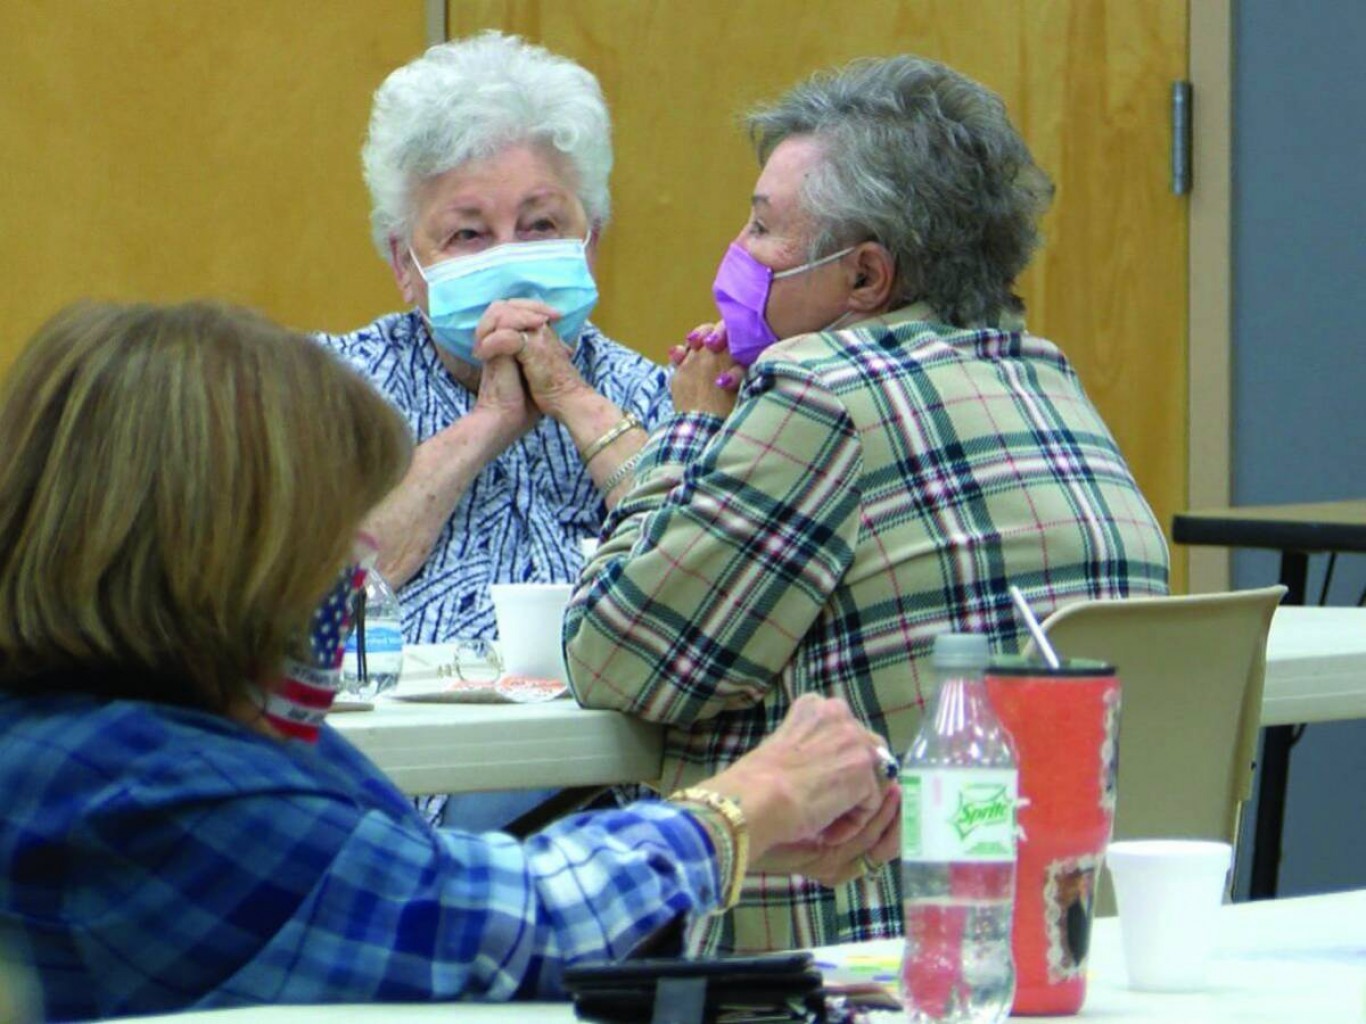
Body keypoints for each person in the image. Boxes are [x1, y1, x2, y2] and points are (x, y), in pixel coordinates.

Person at [0, 300, 898, 1020]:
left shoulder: (153, 726)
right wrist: (744, 808)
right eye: (325, 533)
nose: (355, 563)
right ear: (216, 555)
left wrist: (749, 846)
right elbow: (495, 924)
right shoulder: (136, 780)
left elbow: (385, 874)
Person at [564, 54, 1171, 955]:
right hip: (1075, 946)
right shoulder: (1046, 375)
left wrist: (690, 433)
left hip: (877, 957)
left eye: (764, 228)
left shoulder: (819, 390)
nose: (738, 250)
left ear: (864, 279)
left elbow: (614, 656)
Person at [317, 31, 671, 646]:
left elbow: (706, 584)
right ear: (404, 264)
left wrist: (569, 396)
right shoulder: (330, 392)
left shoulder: (653, 395)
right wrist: (490, 422)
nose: (510, 259)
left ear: (592, 239)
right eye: (469, 235)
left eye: (540, 224)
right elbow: (311, 601)